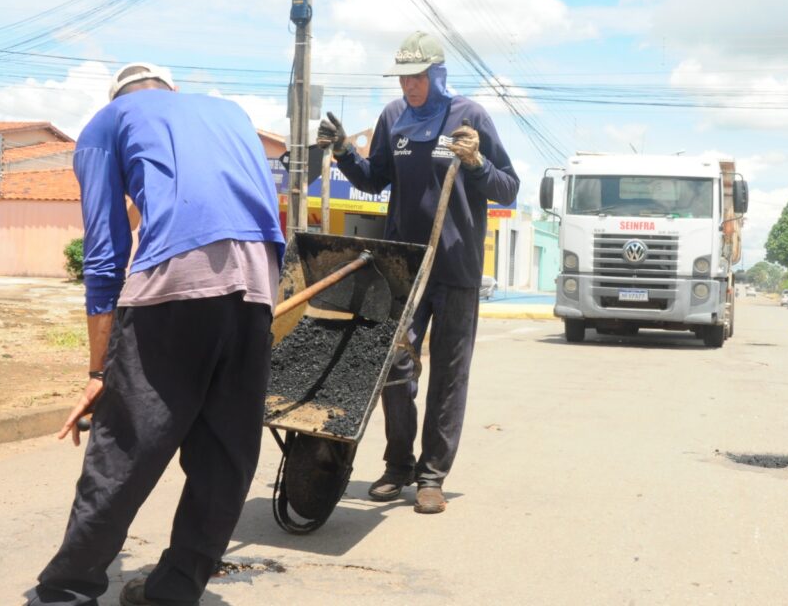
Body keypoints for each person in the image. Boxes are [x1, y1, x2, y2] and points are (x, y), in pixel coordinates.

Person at [26, 63, 285, 606]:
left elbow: (103, 254)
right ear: (170, 91)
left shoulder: (106, 122)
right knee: (226, 453)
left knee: (123, 449)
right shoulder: (229, 113)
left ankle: (65, 593)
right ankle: (175, 591)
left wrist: (100, 372)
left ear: (119, 96)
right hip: (259, 281)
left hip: (176, 278)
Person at [317, 31, 519, 514]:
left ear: (436, 73)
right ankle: (398, 464)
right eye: (403, 77)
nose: (409, 85)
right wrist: (345, 152)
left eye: (417, 77)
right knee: (395, 366)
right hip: (404, 267)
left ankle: (432, 476)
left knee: (449, 374)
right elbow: (374, 178)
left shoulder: (469, 118)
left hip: (457, 267)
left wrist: (476, 162)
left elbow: (508, 187)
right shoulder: (393, 117)